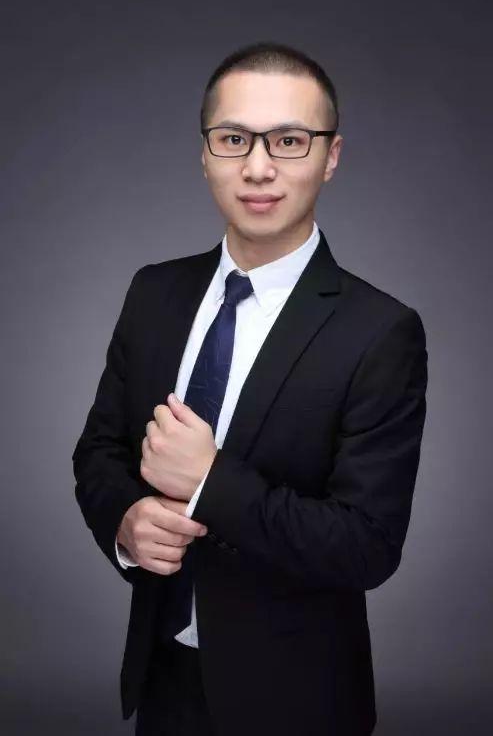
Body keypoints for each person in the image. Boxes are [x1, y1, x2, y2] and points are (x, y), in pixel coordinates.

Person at [72, 41, 428, 736]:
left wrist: (210, 481)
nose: (258, 167)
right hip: (162, 678)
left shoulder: (380, 331)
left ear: (330, 155)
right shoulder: (154, 293)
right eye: (234, 139)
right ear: (205, 153)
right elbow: (99, 451)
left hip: (295, 698)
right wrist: (124, 521)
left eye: (289, 141)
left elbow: (367, 546)